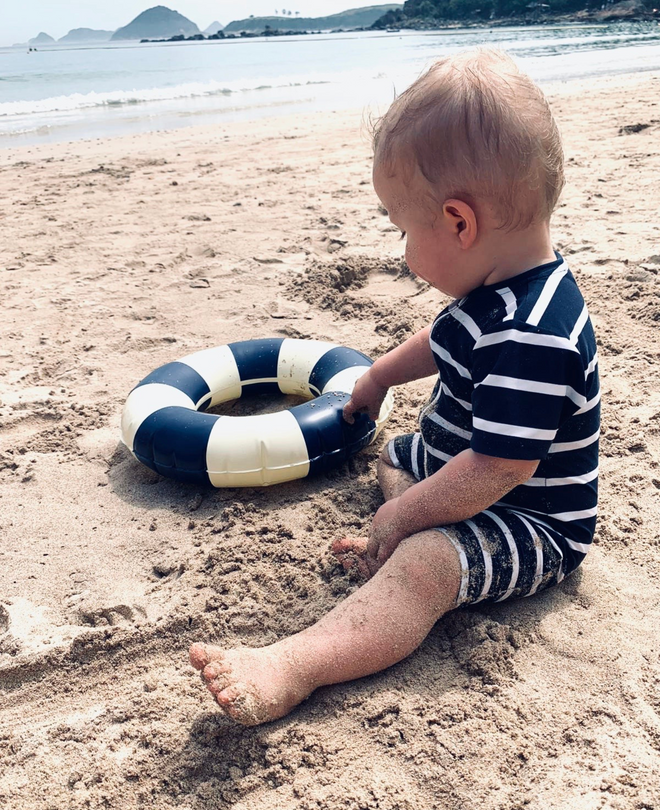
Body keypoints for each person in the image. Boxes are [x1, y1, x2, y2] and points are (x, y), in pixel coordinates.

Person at [189, 48, 600, 726]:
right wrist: (378, 377)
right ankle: (414, 521)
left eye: (404, 228)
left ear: (459, 223)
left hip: (534, 520)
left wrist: (405, 518)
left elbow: (503, 466)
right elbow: (441, 342)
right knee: (394, 455)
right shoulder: (496, 284)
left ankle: (294, 665)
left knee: (427, 566)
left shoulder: (533, 335)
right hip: (466, 470)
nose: (402, 249)